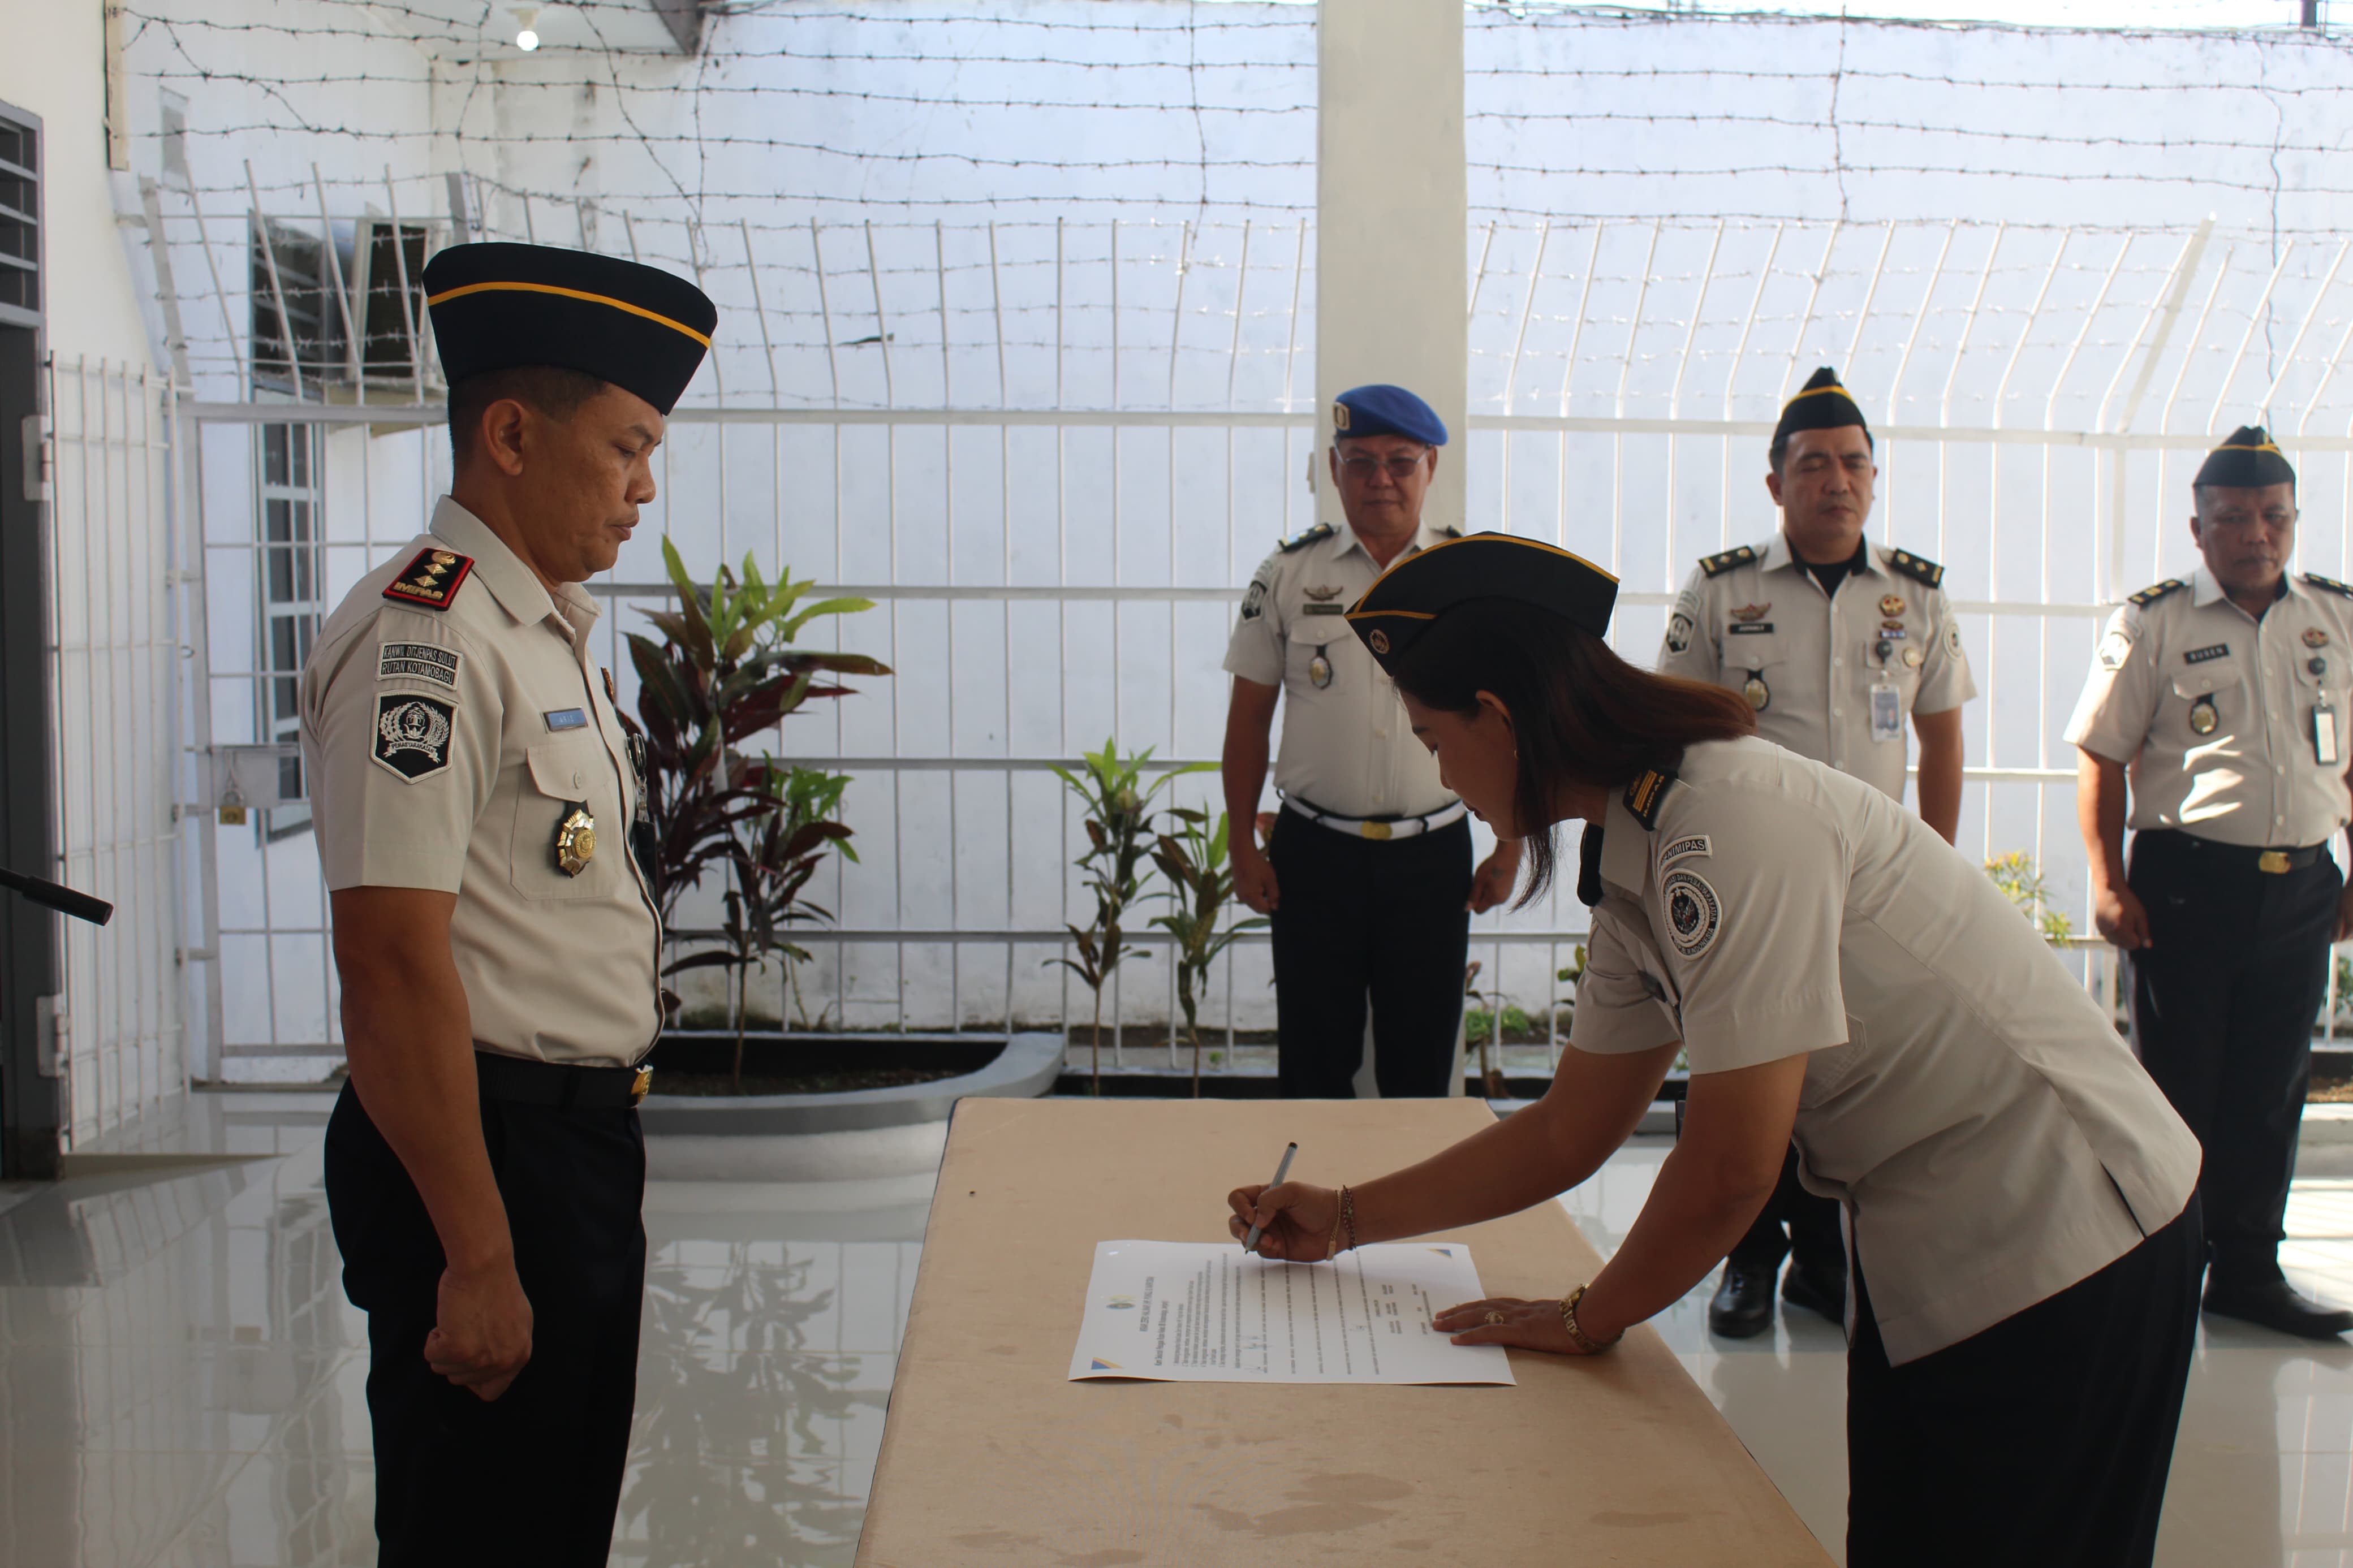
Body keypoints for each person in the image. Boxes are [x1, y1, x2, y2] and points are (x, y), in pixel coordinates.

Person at [1231, 533, 2203, 1568]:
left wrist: (1589, 1316)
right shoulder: (1634, 851)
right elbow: (1570, 1128)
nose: (1439, 773)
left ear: (1501, 719)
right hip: (1940, 1245)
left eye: (1434, 739)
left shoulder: (1727, 818)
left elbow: (1734, 1167)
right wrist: (1347, 1217)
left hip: (2066, 1228)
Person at [300, 241, 714, 1564]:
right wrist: (477, 1253)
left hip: (565, 1153)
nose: (644, 486)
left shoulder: (537, 628)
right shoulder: (426, 639)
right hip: (481, 1157)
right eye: (626, 447)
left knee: (551, 1523)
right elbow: (389, 959)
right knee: (478, 1529)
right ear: (514, 435)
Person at [1657, 365, 1976, 1340]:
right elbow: (1675, 725)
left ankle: (1827, 1261)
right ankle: (1748, 1259)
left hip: (1869, 881)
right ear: (1776, 482)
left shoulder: (1915, 593)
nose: (1837, 482)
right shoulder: (1722, 588)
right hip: (1752, 877)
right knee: (1746, 1063)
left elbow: (1941, 740)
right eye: (1814, 465)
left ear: (1874, 477)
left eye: (1854, 464)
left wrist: (1935, 866)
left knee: (1852, 1068)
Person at [2065, 426, 2353, 1340]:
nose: (2256, 533)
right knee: (2177, 1086)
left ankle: (2249, 1271)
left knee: (2272, 1087)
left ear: (2294, 519)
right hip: (2187, 887)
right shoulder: (2154, 621)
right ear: (2199, 530)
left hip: (2303, 886)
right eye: (2233, 518)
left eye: (2274, 515)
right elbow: (2102, 757)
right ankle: (2162, 1269)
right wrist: (2108, 881)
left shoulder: (2336, 616)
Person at [1221, 383, 1520, 1097]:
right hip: (1312, 857)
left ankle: (1410, 1180)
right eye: (1359, 461)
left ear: (1430, 467)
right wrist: (1239, 844)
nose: (1379, 479)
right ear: (1334, 468)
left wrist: (1511, 844)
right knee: (1312, 1066)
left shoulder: (1468, 576)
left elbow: (1513, 718)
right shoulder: (1288, 574)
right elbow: (1247, 722)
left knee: (1420, 1070)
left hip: (1432, 858)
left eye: (1399, 461)